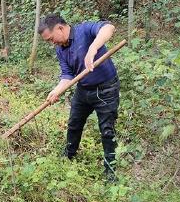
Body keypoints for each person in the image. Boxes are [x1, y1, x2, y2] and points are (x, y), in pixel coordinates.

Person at [38, 13, 120, 181]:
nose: (52, 43)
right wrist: (56, 91)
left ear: (60, 28)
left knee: (107, 130)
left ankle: (110, 171)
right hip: (83, 90)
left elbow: (109, 28)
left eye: (51, 39)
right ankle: (68, 155)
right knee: (74, 123)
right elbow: (67, 75)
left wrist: (93, 48)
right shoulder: (60, 50)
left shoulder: (84, 30)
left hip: (106, 89)